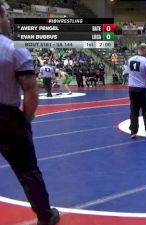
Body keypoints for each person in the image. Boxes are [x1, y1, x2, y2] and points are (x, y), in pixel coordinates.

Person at [0, 5, 60, 225]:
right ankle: (45, 216)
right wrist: (25, 120)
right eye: (6, 15)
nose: (8, 20)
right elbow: (30, 90)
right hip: (6, 117)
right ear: (0, 18)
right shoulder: (14, 49)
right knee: (27, 170)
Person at [128, 43, 146, 139]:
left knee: (134, 109)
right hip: (144, 90)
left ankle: (133, 130)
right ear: (145, 50)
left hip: (132, 89)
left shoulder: (130, 60)